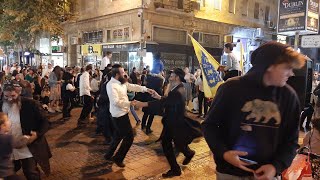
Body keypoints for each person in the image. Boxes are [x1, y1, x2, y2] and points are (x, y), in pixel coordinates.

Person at [202, 42, 306, 180]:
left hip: (268, 175)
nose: (291, 73)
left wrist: (276, 167)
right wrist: (224, 153)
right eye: (287, 68)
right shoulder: (230, 89)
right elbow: (210, 126)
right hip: (229, 172)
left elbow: (291, 140)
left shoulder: (289, 97)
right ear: (269, 66)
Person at [135, 68, 202, 178]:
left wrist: (143, 104)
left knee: (167, 144)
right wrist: (158, 96)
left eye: (172, 75)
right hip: (172, 121)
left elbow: (165, 103)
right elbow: (168, 101)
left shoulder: (178, 90)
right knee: (177, 142)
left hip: (174, 122)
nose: (170, 76)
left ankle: (176, 169)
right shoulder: (178, 88)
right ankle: (188, 153)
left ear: (177, 77)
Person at [104, 64, 152, 167]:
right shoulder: (111, 85)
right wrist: (130, 103)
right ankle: (118, 158)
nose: (125, 74)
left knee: (118, 135)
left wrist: (146, 89)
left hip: (123, 113)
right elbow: (115, 102)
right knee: (129, 137)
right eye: (122, 72)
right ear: (117, 74)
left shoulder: (122, 82)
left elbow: (132, 86)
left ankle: (108, 155)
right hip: (119, 115)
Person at [1, 82, 52, 179]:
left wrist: (36, 134)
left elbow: (46, 122)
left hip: (28, 145)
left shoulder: (30, 104)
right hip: (8, 146)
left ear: (18, 93)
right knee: (7, 173)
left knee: (30, 172)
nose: (10, 99)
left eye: (13, 96)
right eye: (6, 96)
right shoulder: (1, 105)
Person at [0, 112, 26, 180]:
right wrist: (26, 138)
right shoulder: (7, 138)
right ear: (3, 125)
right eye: (7, 120)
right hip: (6, 173)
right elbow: (18, 145)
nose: (10, 121)